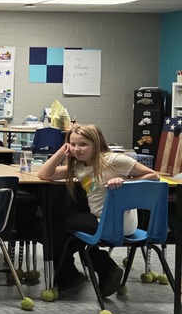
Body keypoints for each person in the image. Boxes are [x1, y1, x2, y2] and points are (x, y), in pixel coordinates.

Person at [35, 123, 159, 296]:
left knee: (55, 223)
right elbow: (44, 174)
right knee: (69, 234)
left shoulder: (113, 160)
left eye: (83, 144)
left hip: (117, 222)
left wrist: (124, 182)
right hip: (101, 219)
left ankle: (77, 273)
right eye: (73, 144)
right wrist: (61, 151)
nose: (77, 149)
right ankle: (101, 269)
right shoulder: (79, 166)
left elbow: (153, 176)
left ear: (97, 144)